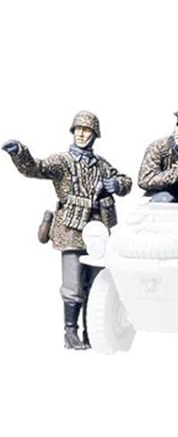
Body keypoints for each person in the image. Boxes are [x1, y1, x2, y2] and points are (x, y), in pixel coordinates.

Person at [2, 111, 132, 350]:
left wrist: (117, 184)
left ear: (95, 134)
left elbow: (125, 181)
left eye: (87, 130)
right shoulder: (62, 161)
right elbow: (36, 168)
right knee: (73, 285)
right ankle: (70, 333)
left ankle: (91, 330)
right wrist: (19, 153)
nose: (81, 134)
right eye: (78, 129)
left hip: (97, 230)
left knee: (96, 283)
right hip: (70, 229)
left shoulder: (101, 165)